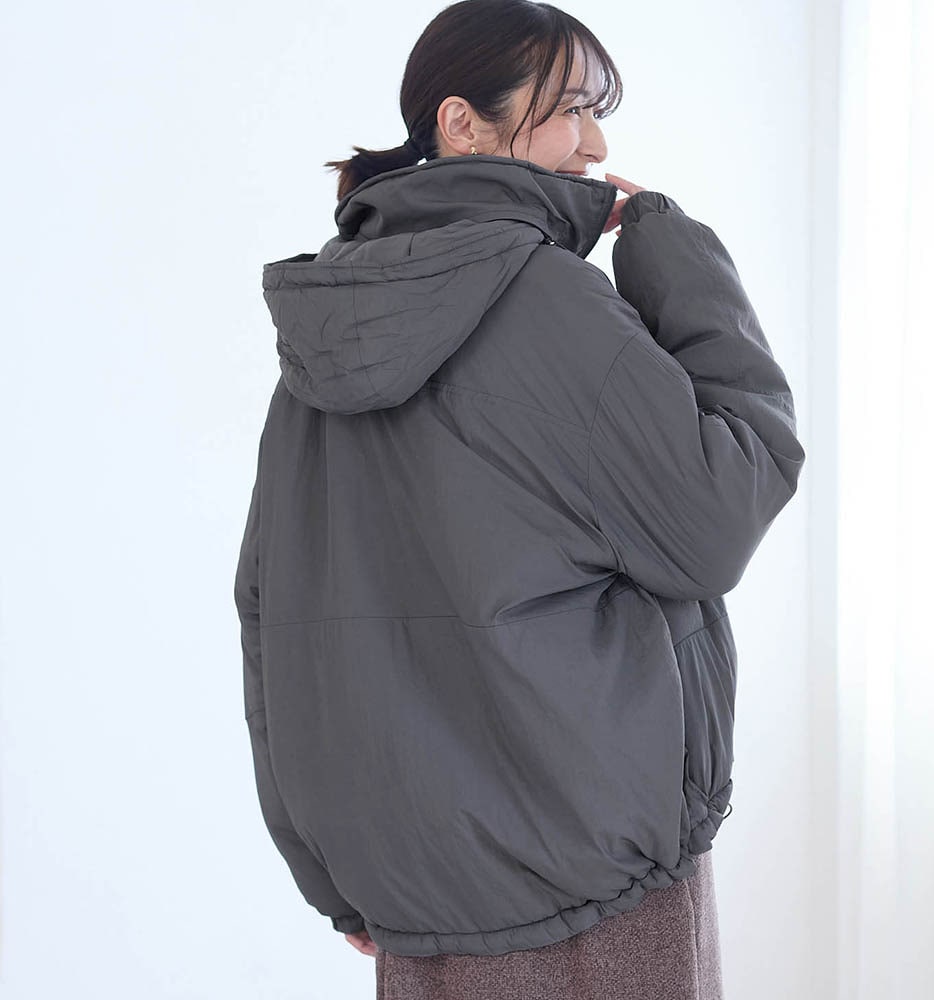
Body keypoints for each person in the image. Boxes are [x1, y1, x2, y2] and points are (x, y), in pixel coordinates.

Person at [233, 1, 806, 996]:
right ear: (461, 122)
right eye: (571, 109)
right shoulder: (548, 300)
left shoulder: (328, 328)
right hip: (593, 871)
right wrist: (679, 258)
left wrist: (329, 874)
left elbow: (269, 610)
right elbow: (717, 516)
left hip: (413, 888)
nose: (596, 144)